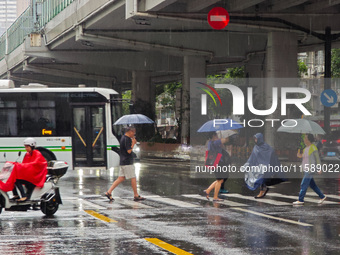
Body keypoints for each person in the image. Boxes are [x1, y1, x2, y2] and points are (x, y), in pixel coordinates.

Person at [0, 138, 48, 202]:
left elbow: (34, 164)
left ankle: (24, 196)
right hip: (29, 175)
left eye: (27, 147)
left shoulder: (37, 154)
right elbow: (24, 164)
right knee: (12, 178)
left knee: (17, 180)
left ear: (32, 146)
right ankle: (16, 195)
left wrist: (20, 165)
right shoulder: (27, 154)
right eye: (25, 147)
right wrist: (18, 165)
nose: (26, 148)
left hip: (35, 177)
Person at [104, 127, 145, 202]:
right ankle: (136, 195)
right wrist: (133, 143)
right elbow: (129, 151)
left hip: (123, 162)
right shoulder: (127, 139)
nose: (134, 134)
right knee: (133, 178)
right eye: (133, 132)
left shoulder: (123, 138)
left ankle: (109, 192)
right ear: (130, 131)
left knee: (121, 178)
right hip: (127, 162)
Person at [244, 133, 286, 198]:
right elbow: (252, 157)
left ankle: (262, 191)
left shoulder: (267, 147)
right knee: (259, 178)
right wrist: (248, 164)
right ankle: (264, 189)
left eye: (256, 139)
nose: (255, 140)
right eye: (254, 139)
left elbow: (272, 154)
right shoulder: (256, 147)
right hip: (258, 166)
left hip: (265, 166)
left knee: (261, 178)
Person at [293, 134, 326, 205]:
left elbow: (317, 159)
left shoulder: (313, 148)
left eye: (305, 138)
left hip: (310, 169)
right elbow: (303, 157)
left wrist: (319, 168)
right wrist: (299, 155)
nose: (304, 139)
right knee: (312, 185)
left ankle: (300, 200)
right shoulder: (305, 148)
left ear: (308, 140)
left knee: (303, 184)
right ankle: (322, 196)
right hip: (305, 169)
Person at [202, 132, 230, 201]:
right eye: (216, 135)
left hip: (215, 162)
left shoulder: (210, 143)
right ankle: (215, 197)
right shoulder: (214, 142)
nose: (217, 136)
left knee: (220, 179)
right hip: (218, 162)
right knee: (220, 180)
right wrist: (227, 135)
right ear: (213, 136)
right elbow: (225, 140)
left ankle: (208, 191)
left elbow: (221, 146)